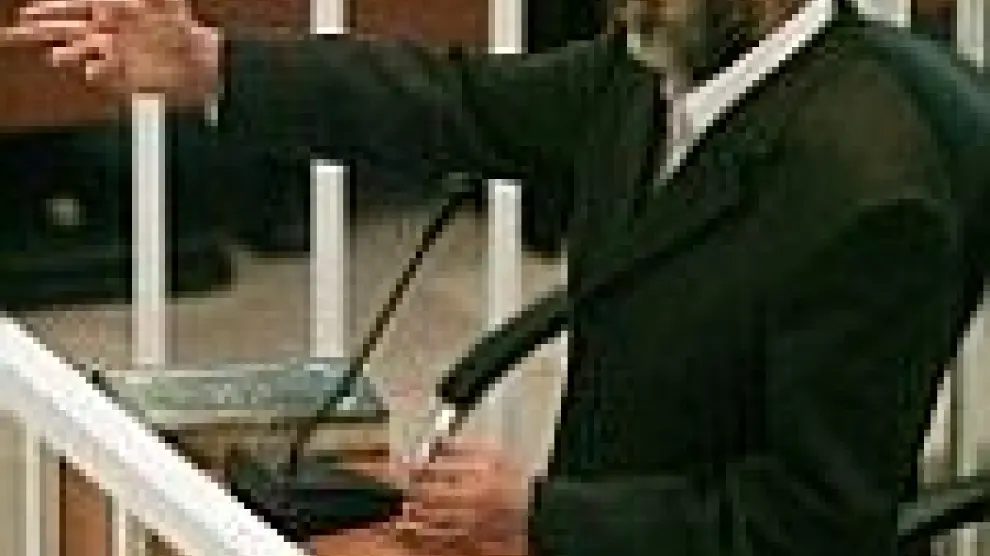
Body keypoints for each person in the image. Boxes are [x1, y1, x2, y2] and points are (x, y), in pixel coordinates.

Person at [2, 0, 966, 555]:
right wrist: (213, 66)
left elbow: (818, 526)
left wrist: (544, 515)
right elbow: (450, 104)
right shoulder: (654, 64)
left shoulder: (874, 200)